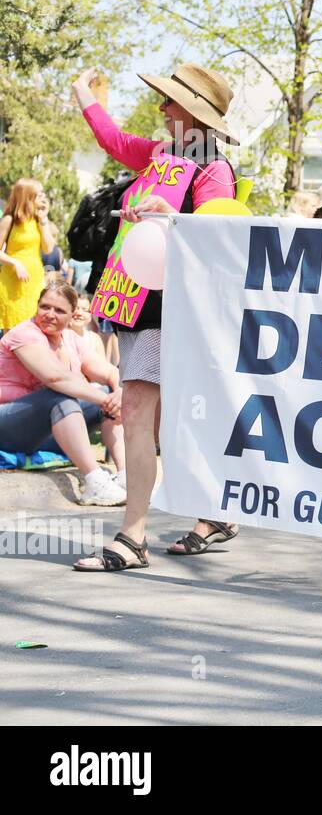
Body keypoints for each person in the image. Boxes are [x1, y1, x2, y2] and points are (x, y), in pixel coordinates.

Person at [69, 64, 241, 571]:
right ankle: (213, 510)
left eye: (170, 102)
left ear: (193, 112)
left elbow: (216, 239)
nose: (162, 110)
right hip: (133, 299)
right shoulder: (158, 155)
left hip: (172, 309)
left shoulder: (215, 169)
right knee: (163, 418)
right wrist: (84, 94)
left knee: (140, 410)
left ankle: (132, 536)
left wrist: (161, 221)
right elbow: (111, 138)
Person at [0, 281, 125, 505]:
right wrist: (108, 399)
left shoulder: (72, 340)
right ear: (36, 306)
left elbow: (109, 373)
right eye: (45, 307)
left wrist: (117, 393)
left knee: (111, 398)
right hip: (8, 426)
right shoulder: (24, 334)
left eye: (59, 310)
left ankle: (125, 476)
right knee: (59, 397)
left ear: (72, 314)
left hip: (45, 432)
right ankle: (94, 481)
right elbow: (55, 378)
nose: (49, 314)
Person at [0, 179, 57, 332]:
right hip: (12, 284)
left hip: (34, 281)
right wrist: (15, 263)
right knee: (12, 332)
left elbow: (48, 249)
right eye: (39, 194)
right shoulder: (9, 220)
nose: (43, 198)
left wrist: (44, 219)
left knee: (33, 329)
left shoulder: (39, 220)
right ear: (28, 196)